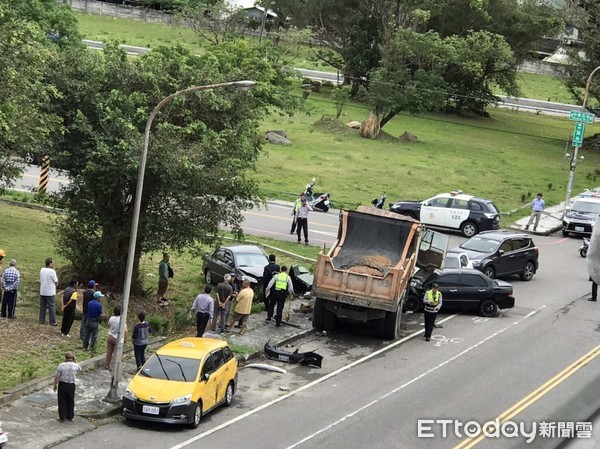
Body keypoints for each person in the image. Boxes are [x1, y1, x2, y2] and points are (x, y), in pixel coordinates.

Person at [53, 351, 81, 422]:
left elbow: (57, 376)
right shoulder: (76, 365)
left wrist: (55, 385)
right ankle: (70, 416)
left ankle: (62, 417)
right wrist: (75, 360)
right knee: (71, 400)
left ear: (65, 358)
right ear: (73, 357)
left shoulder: (61, 365)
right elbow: (80, 369)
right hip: (71, 385)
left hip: (62, 384)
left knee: (62, 401)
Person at [105, 306, 127, 370]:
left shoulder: (111, 318)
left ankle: (107, 365)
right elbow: (125, 330)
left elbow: (109, 324)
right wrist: (125, 339)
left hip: (110, 336)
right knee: (116, 353)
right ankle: (114, 366)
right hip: (117, 338)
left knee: (109, 352)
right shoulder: (121, 320)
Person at [39, 257, 59, 326]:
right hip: (50, 292)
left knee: (42, 306)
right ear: (50, 263)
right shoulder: (52, 271)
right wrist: (56, 284)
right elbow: (56, 281)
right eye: (52, 263)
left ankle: (41, 320)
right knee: (51, 307)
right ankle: (52, 321)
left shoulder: (42, 270)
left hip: (43, 291)